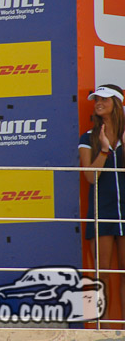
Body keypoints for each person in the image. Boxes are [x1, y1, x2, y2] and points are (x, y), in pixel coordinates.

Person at [80, 84, 125, 322]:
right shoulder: (89, 137)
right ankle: (105, 328)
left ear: (116, 103)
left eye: (104, 99)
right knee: (104, 273)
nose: (98, 103)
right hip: (102, 210)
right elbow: (90, 177)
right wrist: (105, 150)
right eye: (96, 99)